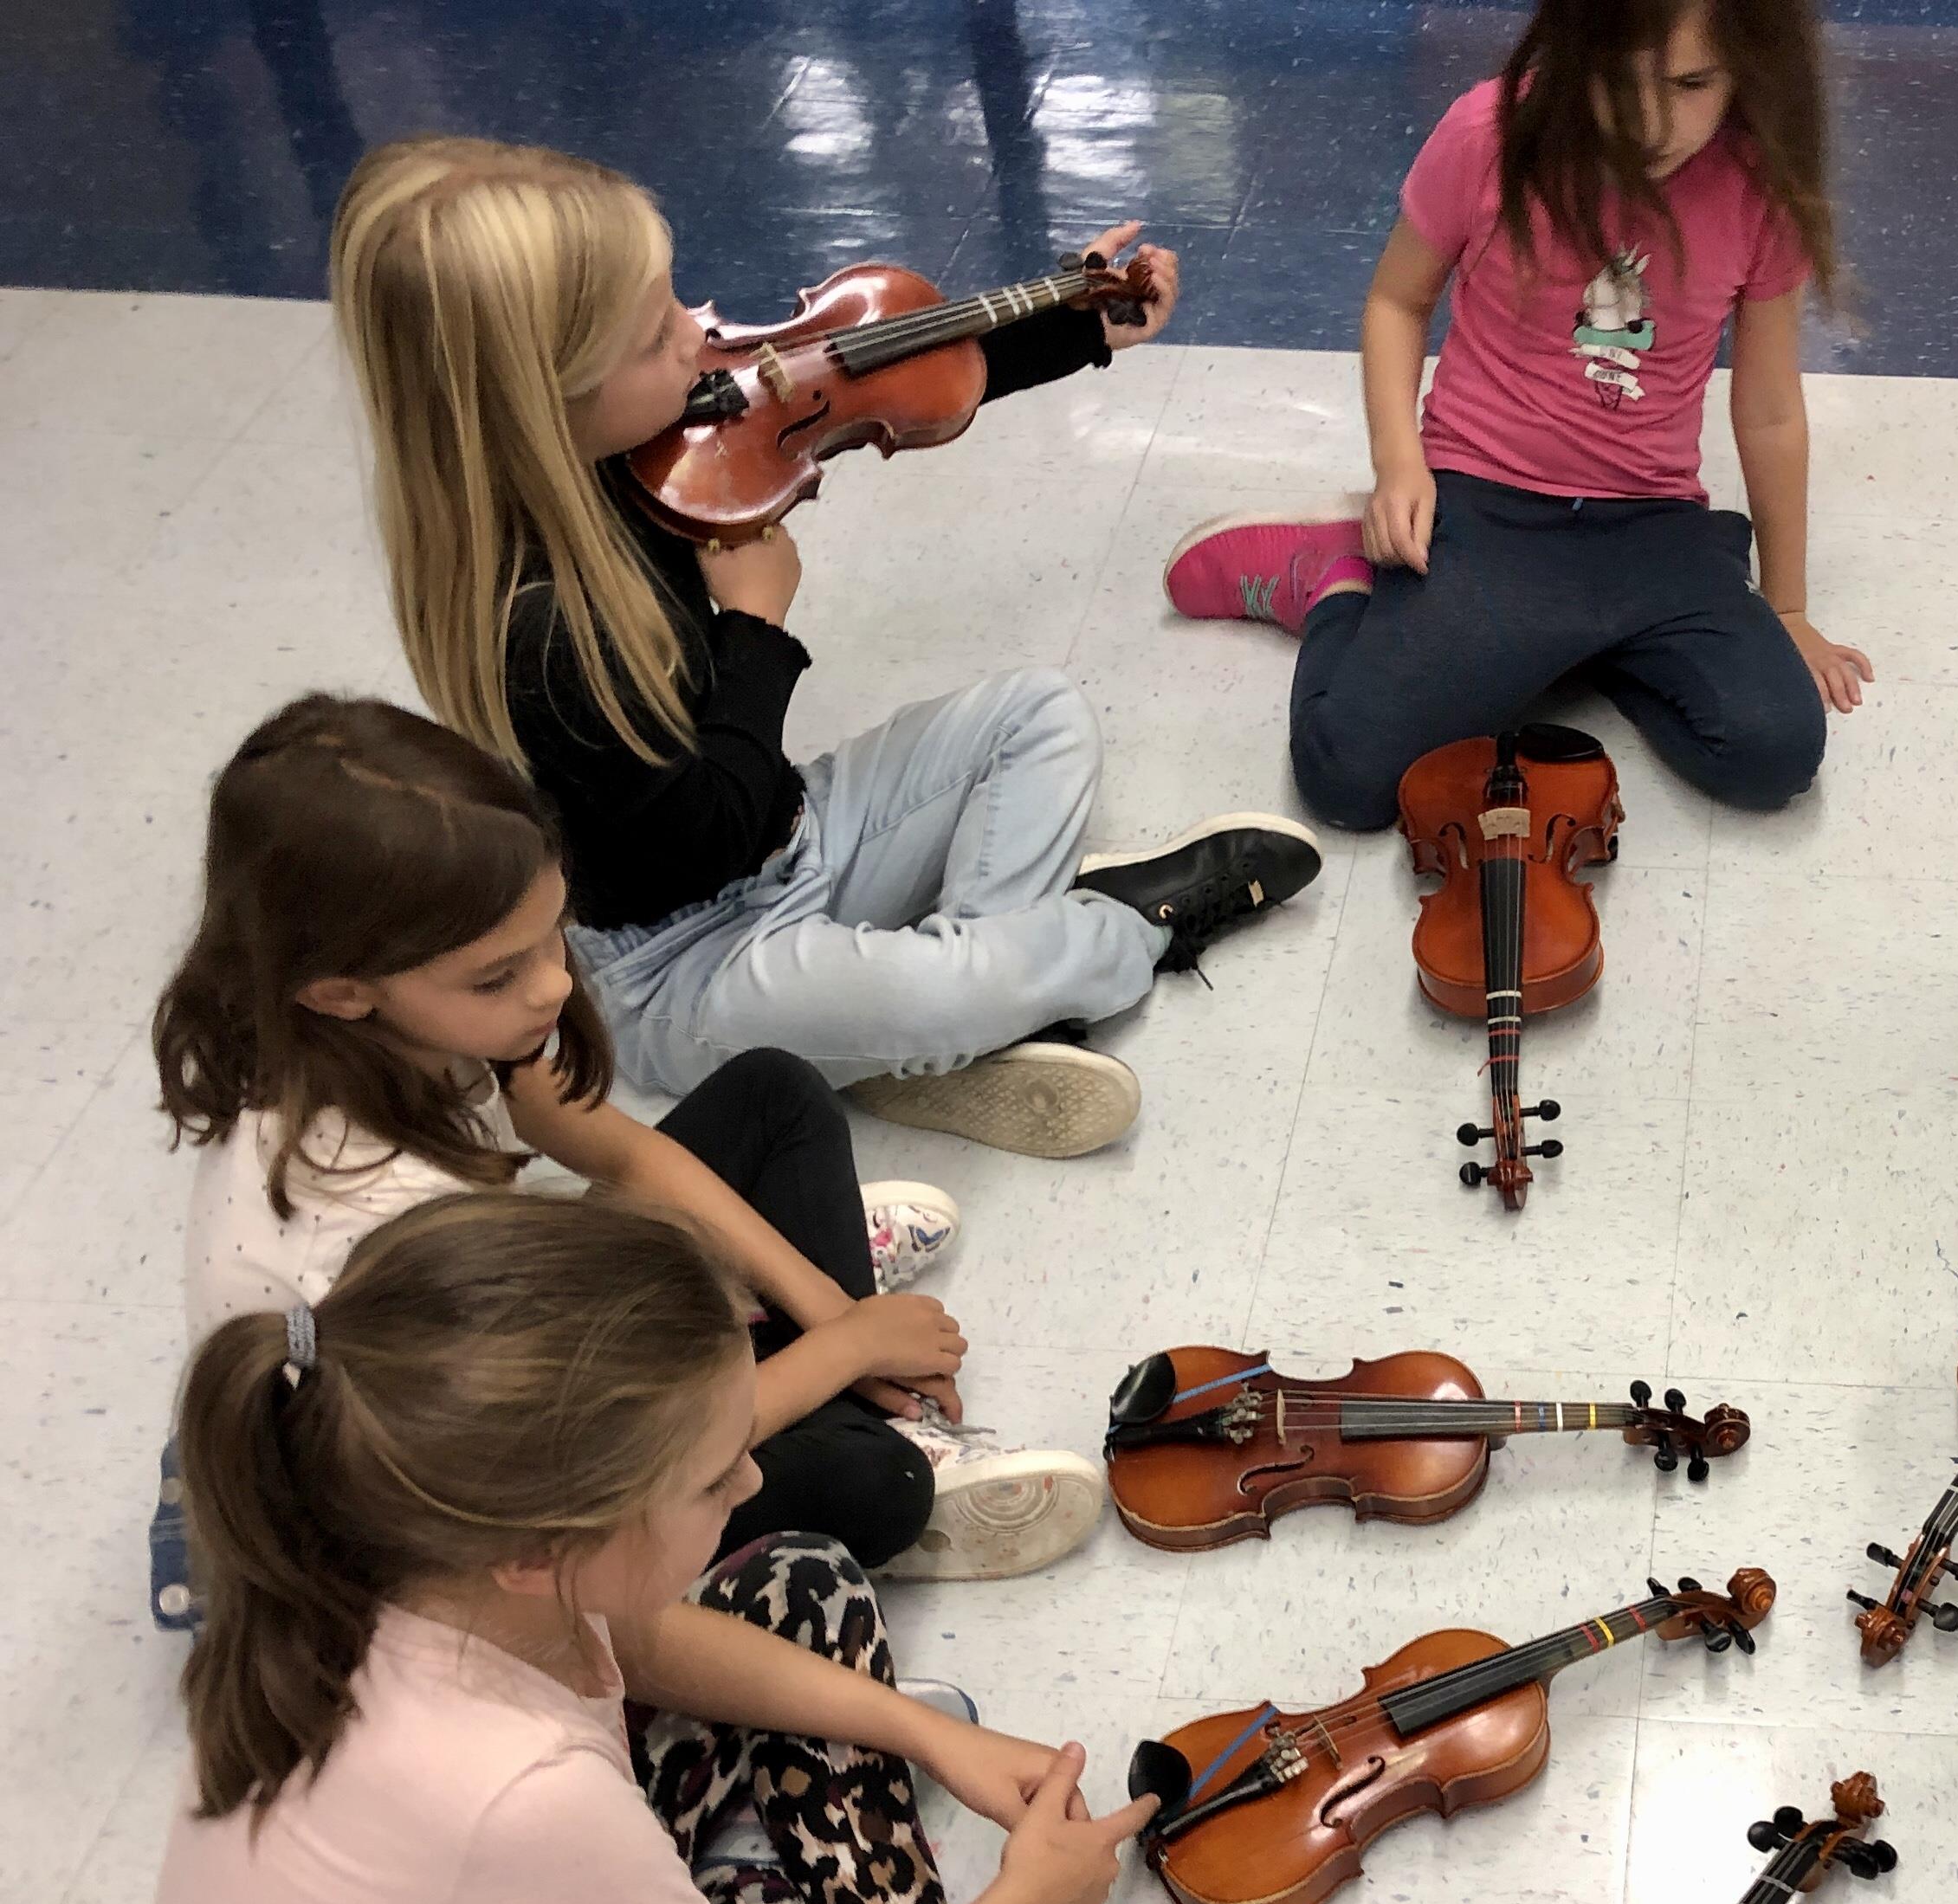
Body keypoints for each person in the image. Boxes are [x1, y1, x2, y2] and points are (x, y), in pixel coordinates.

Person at [330, 134, 1323, 1158]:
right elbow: (703, 834)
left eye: (674, 301)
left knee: (1041, 712)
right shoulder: (534, 631)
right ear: (540, 397)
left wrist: (1079, 329)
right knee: (952, 988)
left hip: (793, 830)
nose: (695, 339)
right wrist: (755, 626)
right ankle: (1124, 931)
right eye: (650, 339)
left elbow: (861, 383)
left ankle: (950, 1030)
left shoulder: (642, 431)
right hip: (681, 963)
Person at [154, 695, 1102, 1604]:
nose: (553, 989)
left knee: (775, 1092)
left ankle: (798, 1319)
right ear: (339, 989)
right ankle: (881, 1450)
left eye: (553, 938)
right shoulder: (379, 1223)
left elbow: (613, 1147)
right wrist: (849, 1347)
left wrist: (827, 1306)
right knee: (873, 1479)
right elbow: (614, 1460)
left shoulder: (395, 1026)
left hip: (520, 1346)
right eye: (498, 975)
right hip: (498, 1506)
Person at [152, 1190, 1160, 1904]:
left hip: (529, 1879)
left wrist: (931, 1734)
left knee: (803, 1577)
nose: (755, 1475)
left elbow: (634, 1639)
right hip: (538, 1852)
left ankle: (733, 1886)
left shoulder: (404, 1540)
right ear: (540, 1551)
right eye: (716, 1476)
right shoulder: (514, 1789)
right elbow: (543, 1769)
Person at [1161, 0, 1868, 830]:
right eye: (1623, 80)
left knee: (1775, 752)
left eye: (1690, 84)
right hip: (1489, 502)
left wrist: (1786, 607)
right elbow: (1396, 301)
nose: (1652, 122)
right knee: (1348, 779)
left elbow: (1771, 406)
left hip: (1653, 524)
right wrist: (1400, 464)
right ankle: (1335, 582)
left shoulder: (1757, 182)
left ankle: (1569, 640)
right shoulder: (1489, 134)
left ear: (1749, 69)